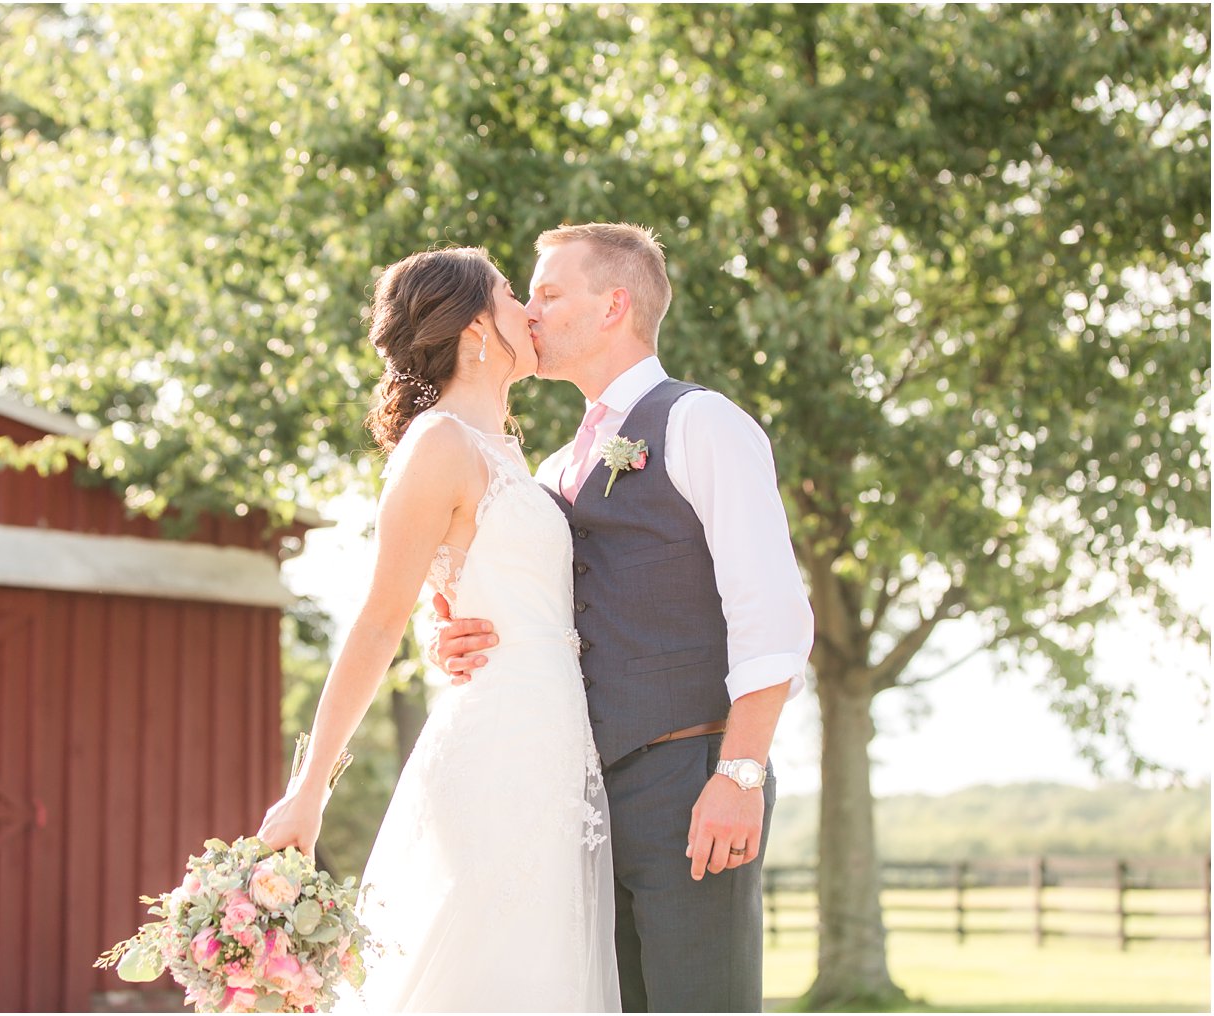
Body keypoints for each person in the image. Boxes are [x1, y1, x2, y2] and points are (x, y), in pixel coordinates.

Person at [435, 223, 814, 1013]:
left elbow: (771, 610)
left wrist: (738, 775)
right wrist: (464, 634)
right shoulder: (549, 467)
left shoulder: (701, 423)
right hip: (577, 798)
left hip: (690, 778)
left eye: (548, 293)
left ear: (613, 306)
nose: (529, 311)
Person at [257, 246, 621, 1012]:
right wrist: (309, 788)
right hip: (496, 747)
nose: (530, 309)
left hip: (552, 744)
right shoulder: (439, 445)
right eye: (513, 294)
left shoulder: (510, 453)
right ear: (476, 331)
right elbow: (377, 618)